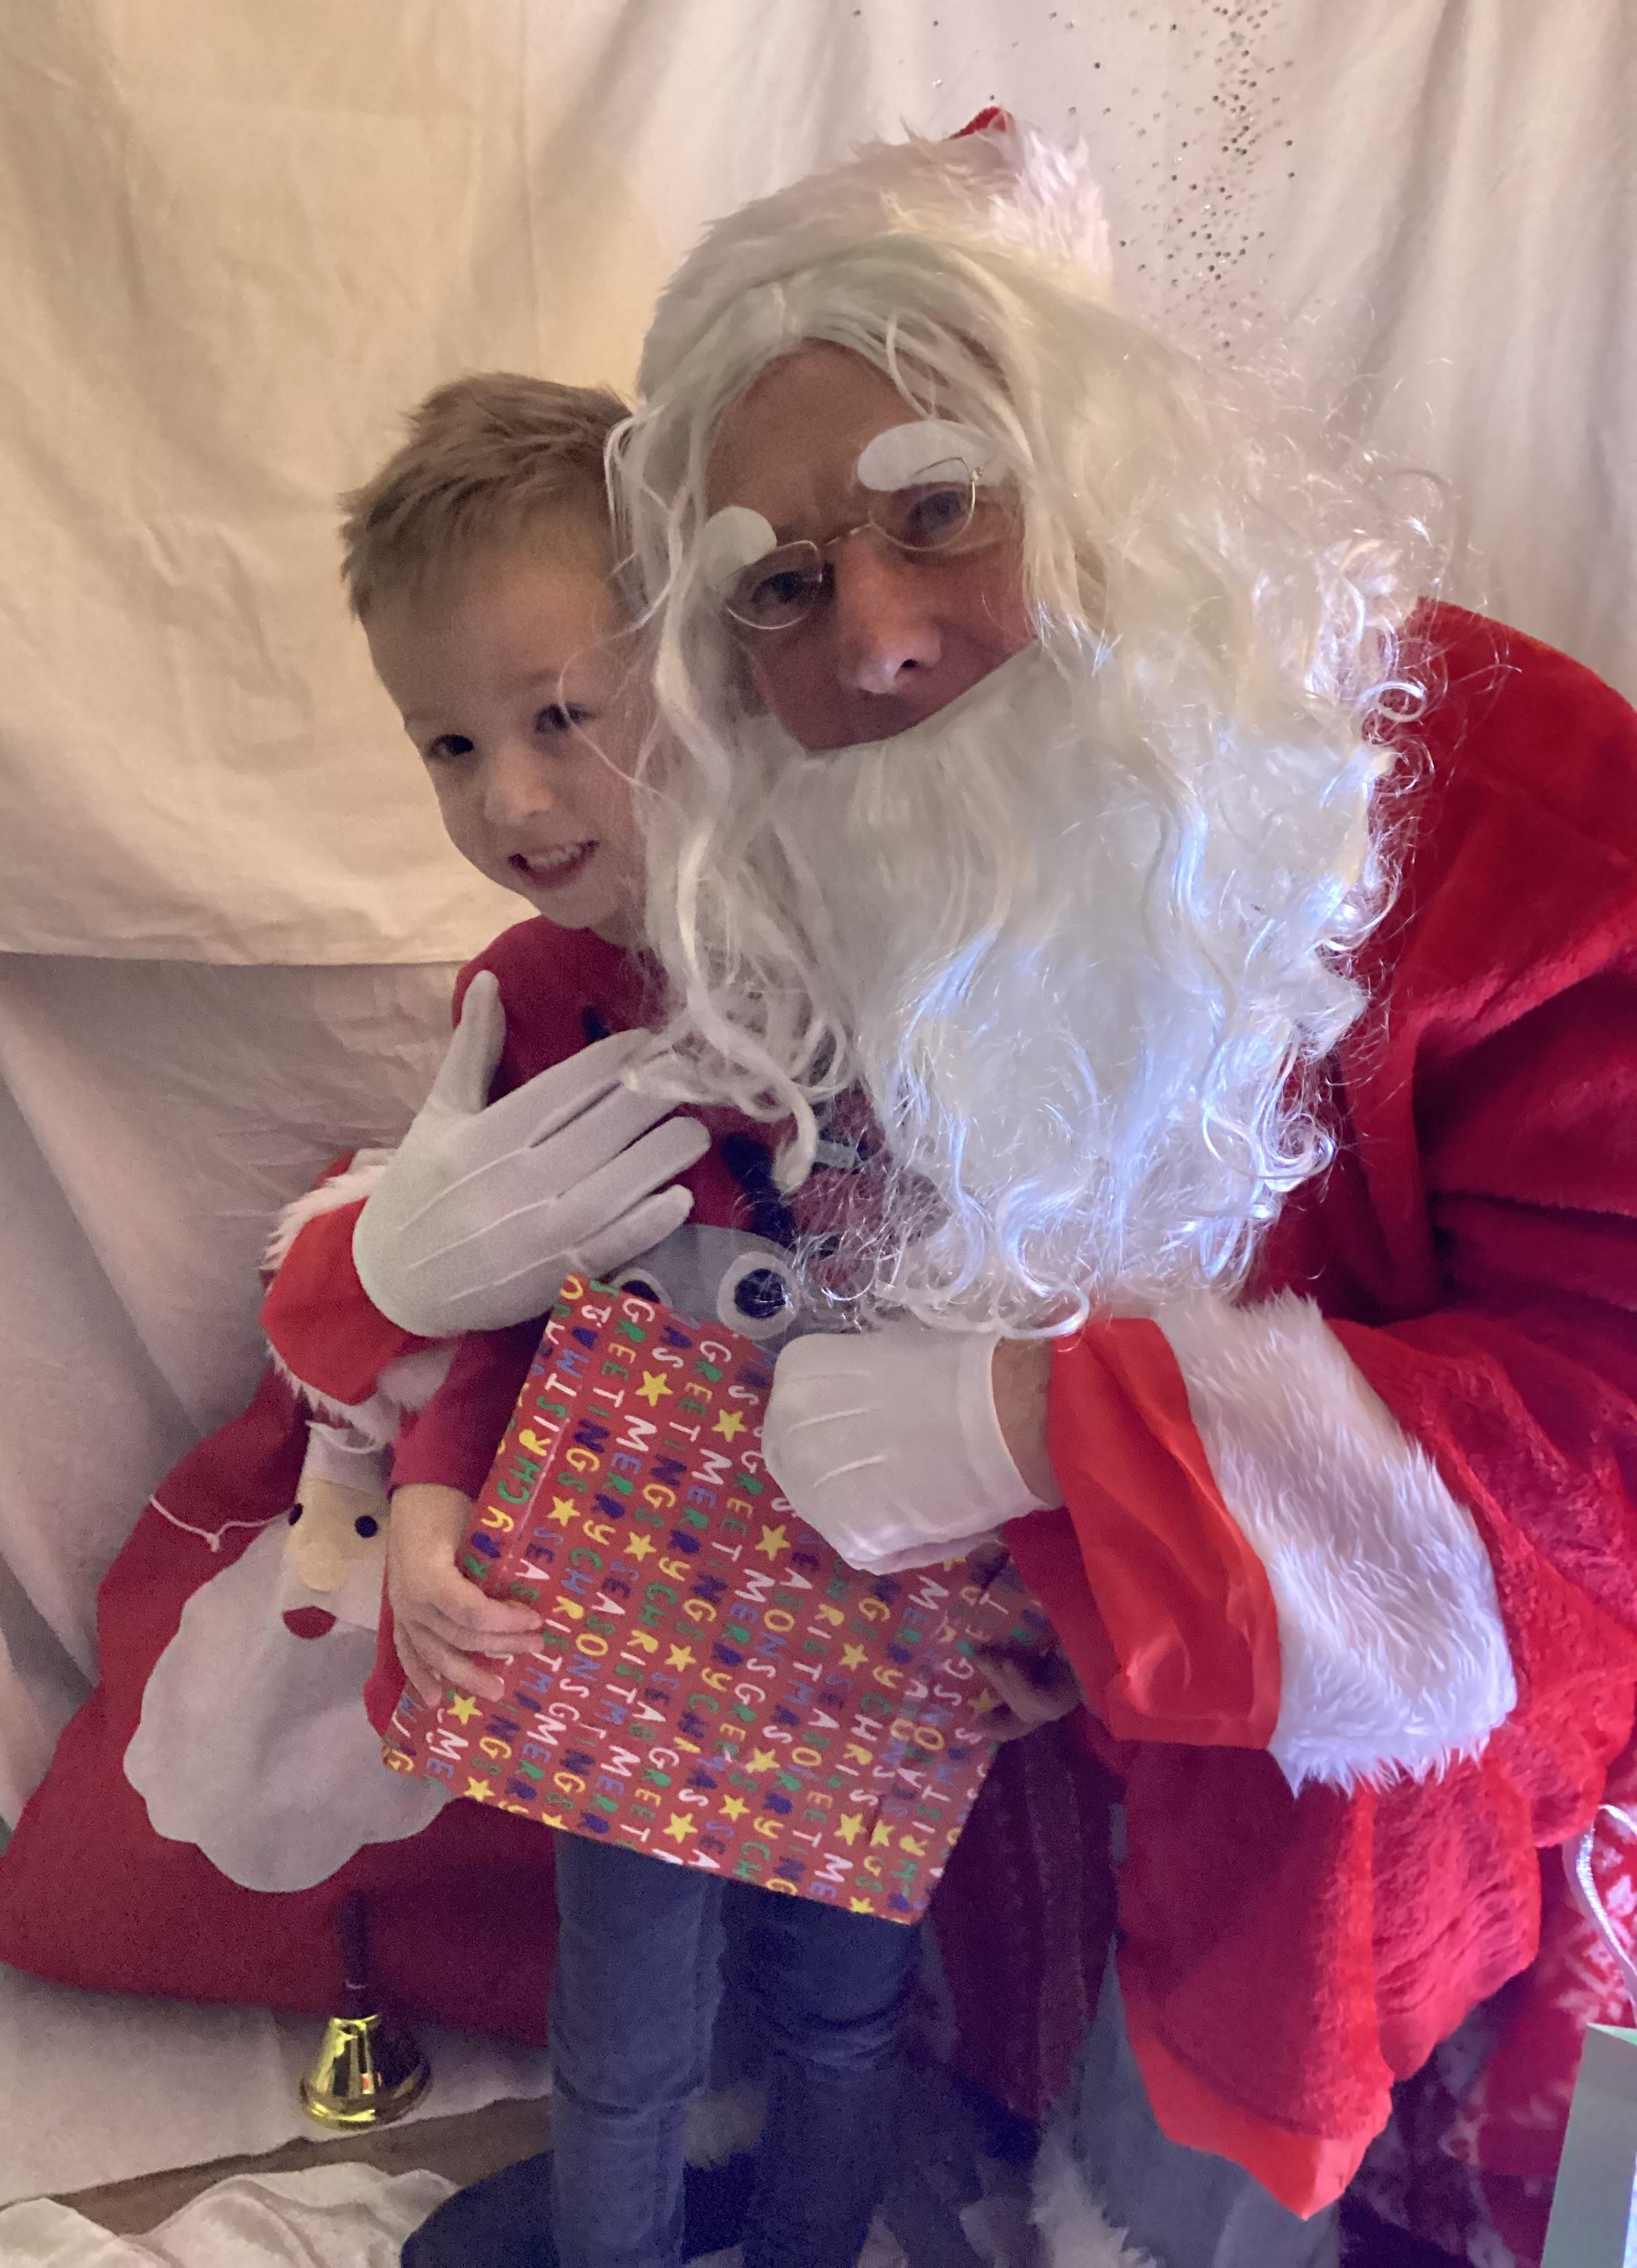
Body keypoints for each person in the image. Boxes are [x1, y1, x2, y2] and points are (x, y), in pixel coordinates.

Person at [598, 113, 1637, 2267]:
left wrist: (1037, 1431)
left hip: (1406, 1723)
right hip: (1014, 1723)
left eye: (936, 510)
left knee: (1317, 1807)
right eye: (783, 585)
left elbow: (1602, 1456)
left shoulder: (1515, 795)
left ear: (1110, 485)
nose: (878, 637)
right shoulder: (834, 861)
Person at [259, 372, 928, 2268]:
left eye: (562, 715)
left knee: (847, 2000)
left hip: (872, 1600)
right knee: (624, 2024)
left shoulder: (900, 939)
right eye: (450, 743)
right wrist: (436, 1502)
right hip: (620, 1609)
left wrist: (1043, 1575)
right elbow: (496, 1315)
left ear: (704, 667)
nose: (508, 798)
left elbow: (1025, 1281)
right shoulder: (528, 992)